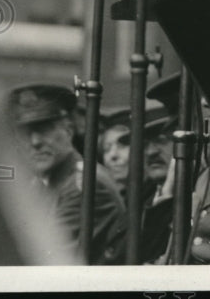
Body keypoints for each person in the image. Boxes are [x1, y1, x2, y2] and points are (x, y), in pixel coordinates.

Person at [8, 82, 127, 265]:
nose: (35, 141)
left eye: (44, 128)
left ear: (69, 130)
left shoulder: (85, 185)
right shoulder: (46, 182)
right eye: (26, 132)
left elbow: (42, 260)